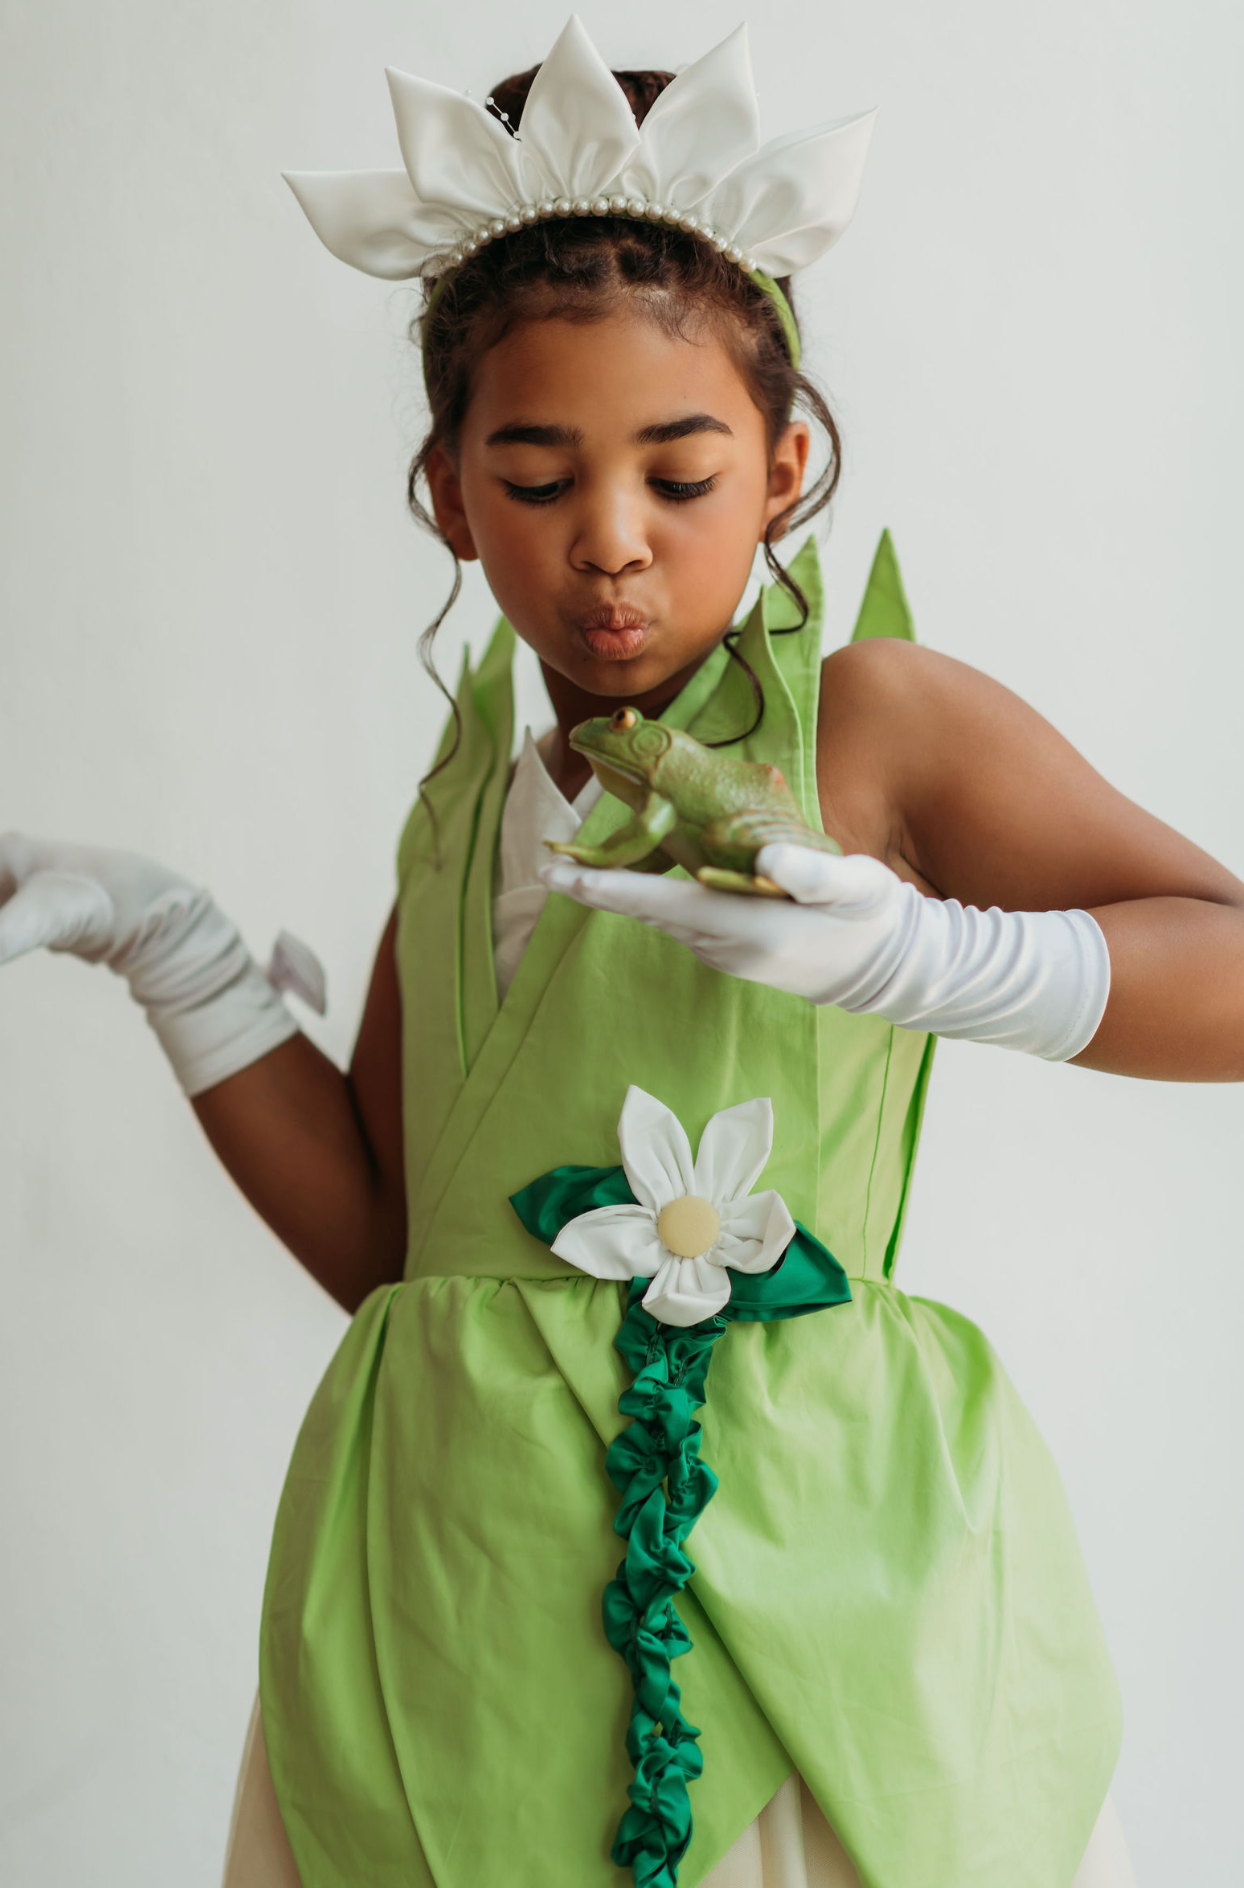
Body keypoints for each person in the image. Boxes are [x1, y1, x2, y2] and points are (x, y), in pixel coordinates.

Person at [2, 19, 1239, 1888]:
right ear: (445, 491)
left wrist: (935, 963)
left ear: (786, 460)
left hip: (815, 1601)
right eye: (533, 473)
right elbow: (402, 1249)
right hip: (463, 1610)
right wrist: (178, 960)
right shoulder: (465, 806)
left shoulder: (877, 728)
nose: (609, 545)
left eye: (680, 473)